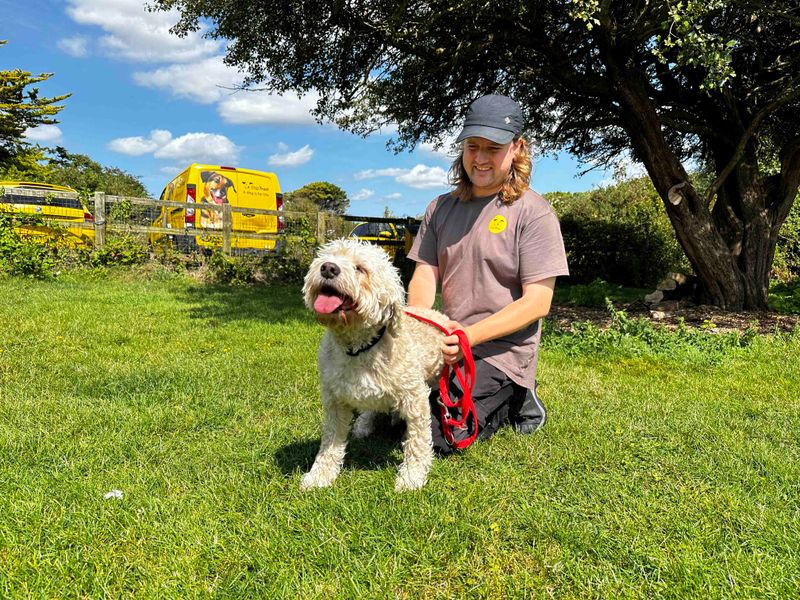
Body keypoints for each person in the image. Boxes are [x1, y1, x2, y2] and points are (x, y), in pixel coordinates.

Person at [407, 94, 569, 454]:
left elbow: (538, 302)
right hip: (446, 344)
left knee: (438, 439)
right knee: (396, 414)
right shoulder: (440, 208)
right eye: (472, 146)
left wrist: (469, 336)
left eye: (492, 148)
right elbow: (424, 274)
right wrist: (421, 325)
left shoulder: (534, 213)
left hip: (499, 351)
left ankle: (519, 395)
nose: (479, 159)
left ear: (517, 148)